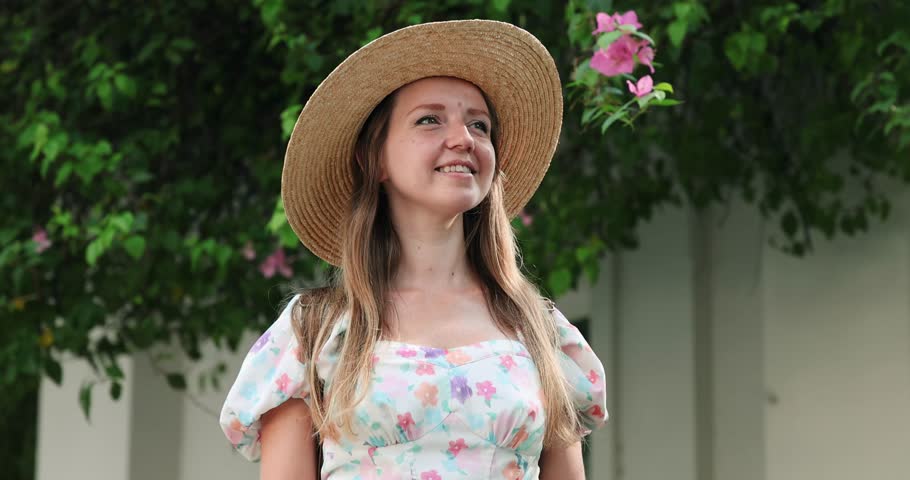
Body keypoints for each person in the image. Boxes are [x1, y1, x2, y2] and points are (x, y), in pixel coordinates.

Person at [220, 19, 608, 479]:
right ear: (375, 158)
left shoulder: (539, 331)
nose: (463, 138)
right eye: (430, 119)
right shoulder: (314, 333)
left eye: (479, 125)